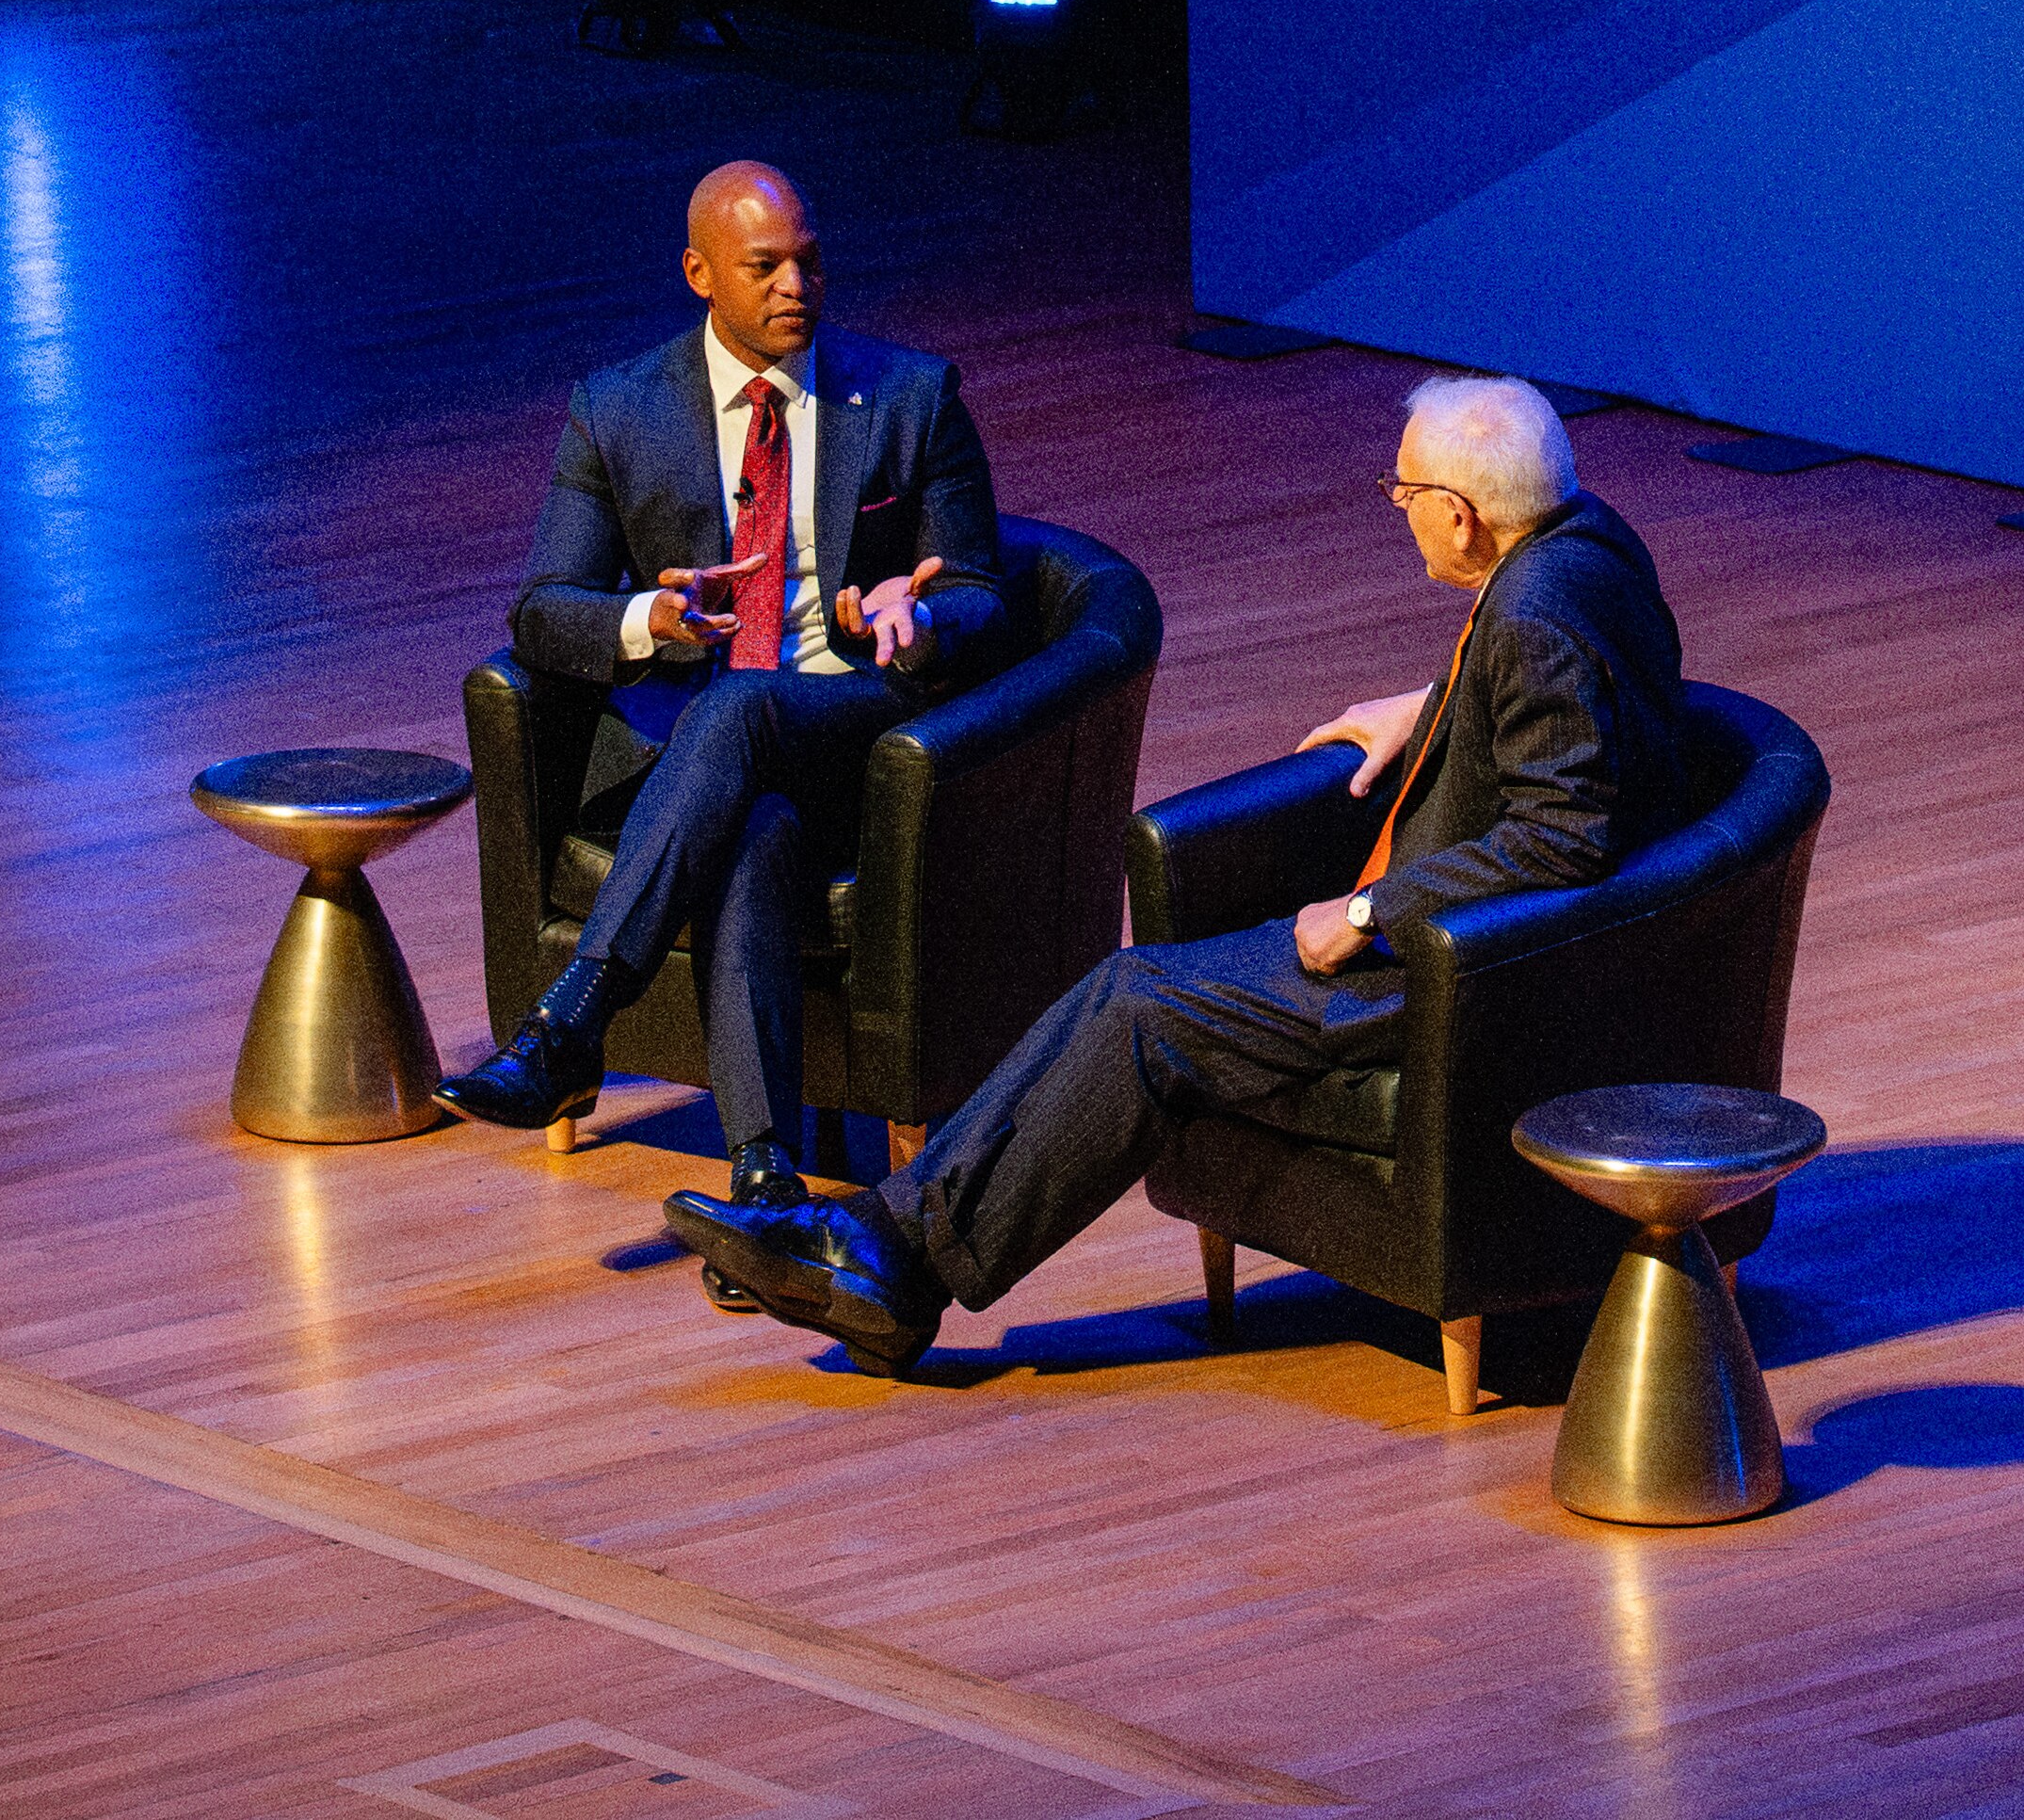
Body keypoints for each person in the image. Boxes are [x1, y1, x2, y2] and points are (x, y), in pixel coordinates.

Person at [662, 374, 1689, 1374]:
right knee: (1123, 987)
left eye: (1405, 492)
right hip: (1461, 948)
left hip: (1449, 973)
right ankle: (882, 1247)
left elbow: (1560, 836)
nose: (1399, 509)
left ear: (1461, 516)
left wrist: (1371, 912)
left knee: (1138, 1013)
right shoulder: (1583, 542)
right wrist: (1437, 700)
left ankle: (894, 1269)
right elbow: (1575, 713)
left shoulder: (1530, 619)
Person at [439, 161, 1009, 1311]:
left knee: (742, 708)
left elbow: (988, 591)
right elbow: (541, 610)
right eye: (764, 267)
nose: (796, 284)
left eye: (807, 257)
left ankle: (575, 1023)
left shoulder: (908, 395)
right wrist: (650, 618)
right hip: (696, 760)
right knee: (750, 825)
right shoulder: (617, 408)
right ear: (700, 274)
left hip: (855, 726)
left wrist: (920, 617)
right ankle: (764, 1185)